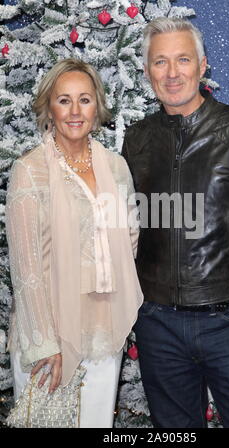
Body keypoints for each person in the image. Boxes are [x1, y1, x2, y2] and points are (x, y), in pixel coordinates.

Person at [122, 17, 229, 428]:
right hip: (157, 324)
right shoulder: (138, 140)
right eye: (160, 62)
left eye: (182, 59)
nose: (171, 73)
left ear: (203, 67)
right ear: (147, 71)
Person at [6, 58, 143, 428]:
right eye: (64, 100)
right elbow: (26, 267)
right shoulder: (29, 170)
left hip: (103, 329)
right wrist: (45, 343)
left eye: (84, 99)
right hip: (49, 334)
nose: (75, 111)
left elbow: (129, 238)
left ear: (97, 105)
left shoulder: (115, 167)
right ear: (49, 107)